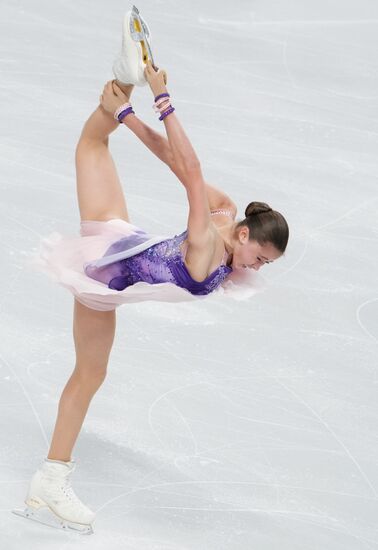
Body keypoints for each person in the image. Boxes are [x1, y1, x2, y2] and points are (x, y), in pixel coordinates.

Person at [18, 7, 289, 534]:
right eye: (260, 257)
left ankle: (122, 77)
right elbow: (190, 171)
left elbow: (174, 163)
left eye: (266, 265)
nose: (257, 268)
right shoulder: (208, 245)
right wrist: (162, 101)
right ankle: (50, 482)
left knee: (91, 142)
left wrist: (127, 116)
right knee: (90, 374)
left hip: (118, 238)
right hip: (103, 278)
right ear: (242, 236)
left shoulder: (227, 215)